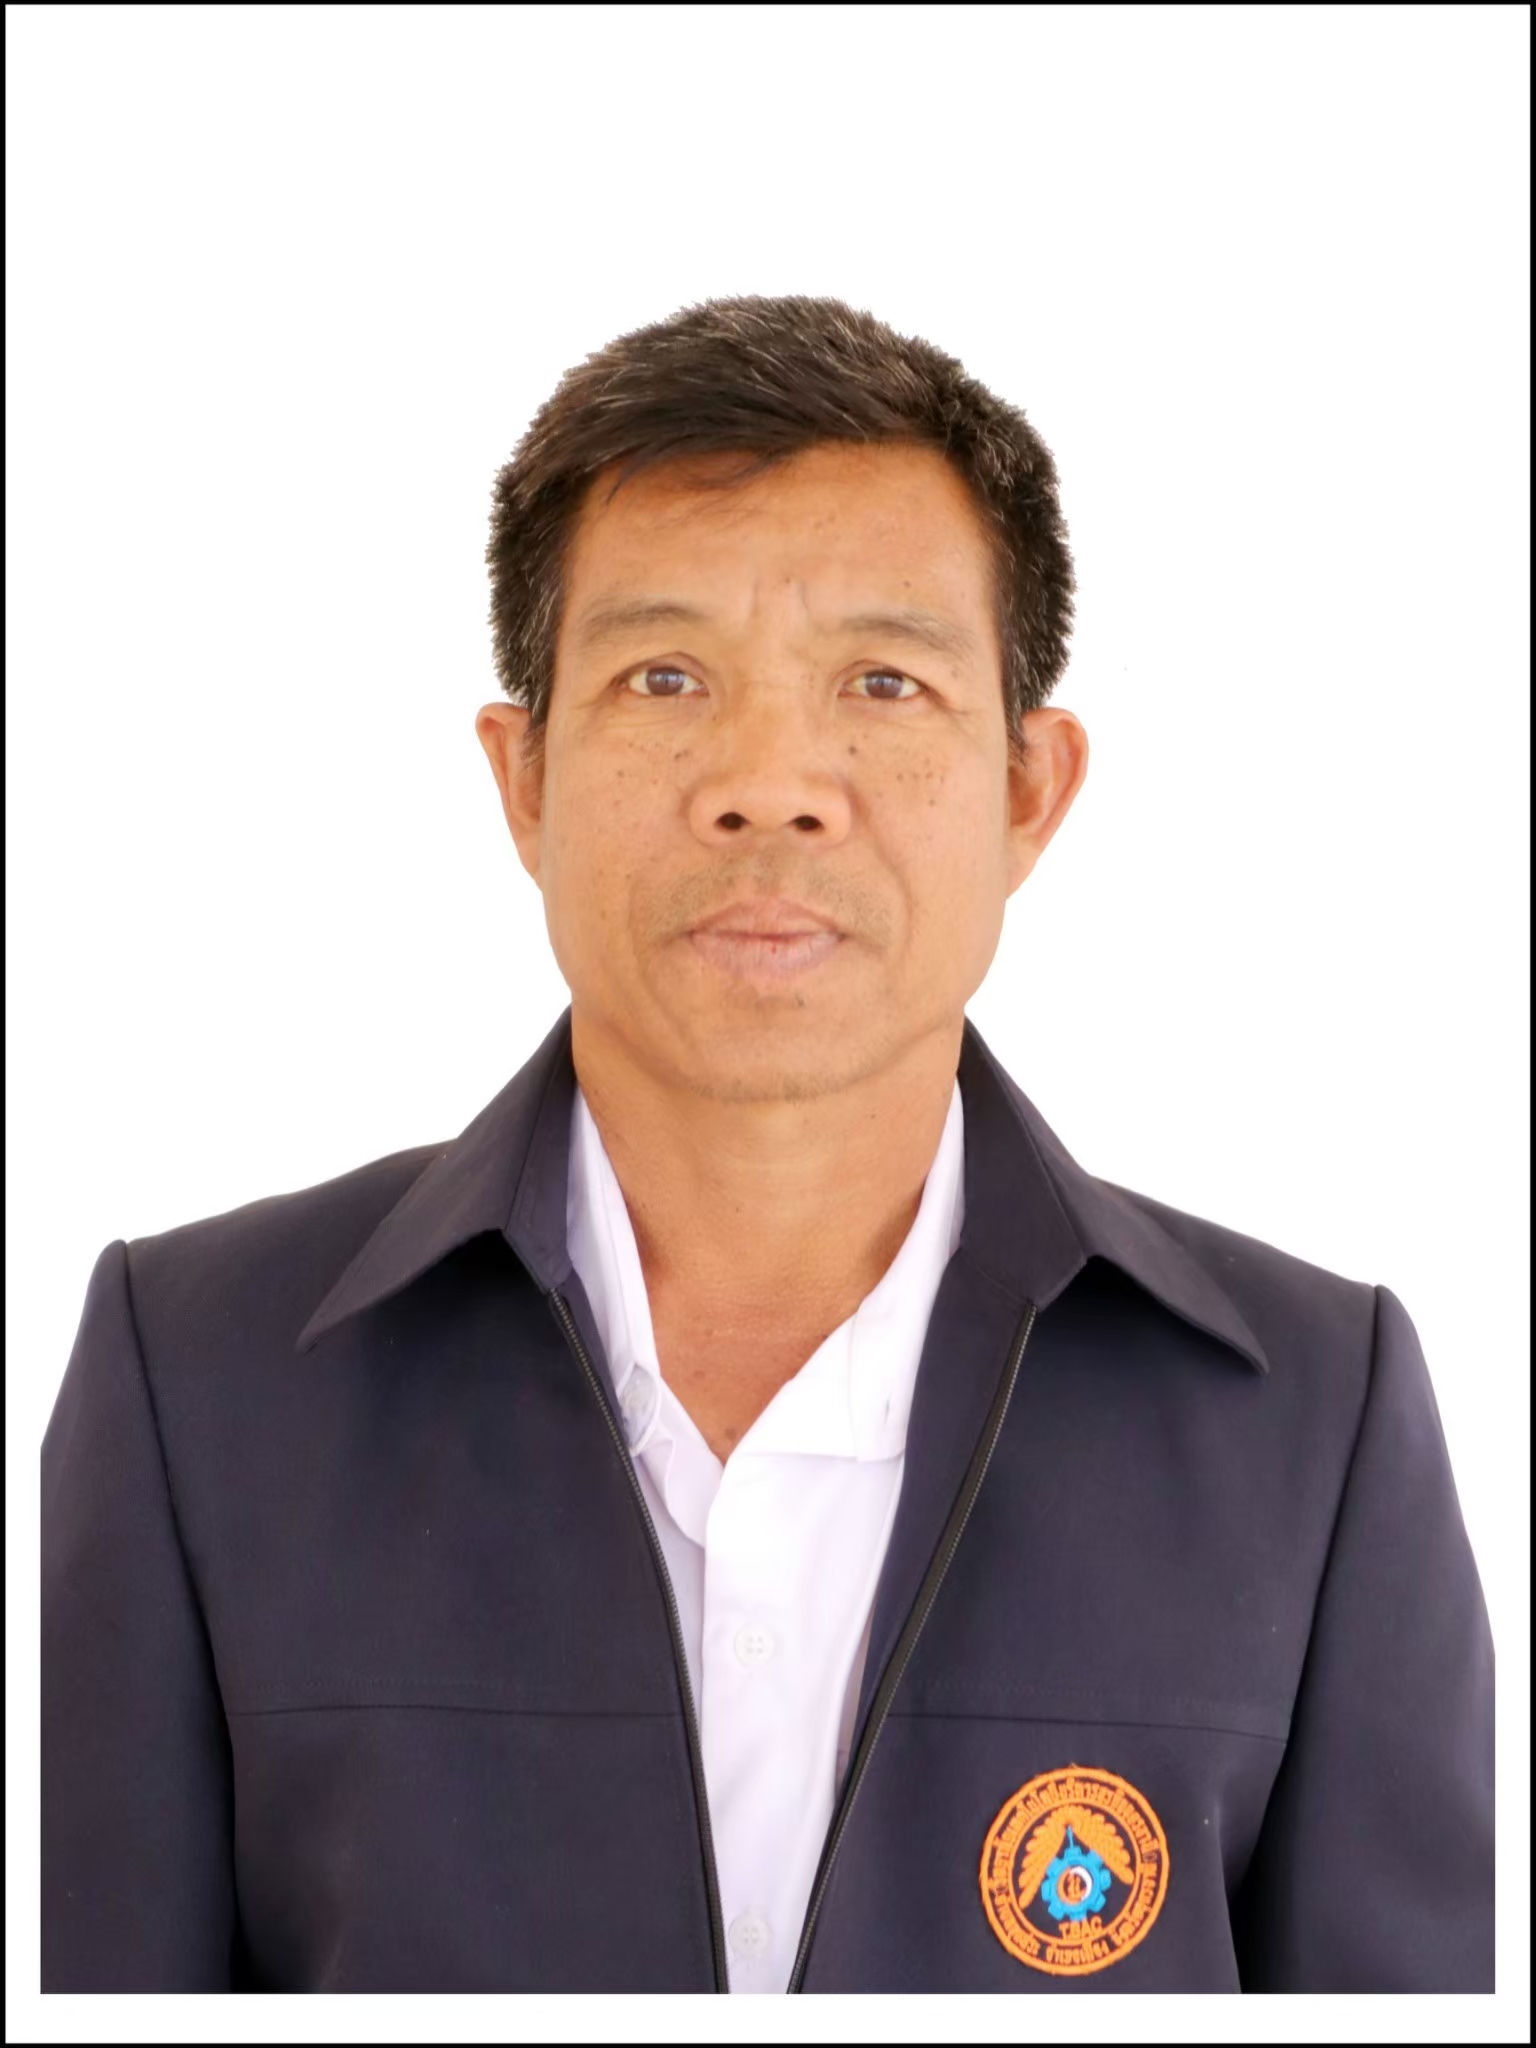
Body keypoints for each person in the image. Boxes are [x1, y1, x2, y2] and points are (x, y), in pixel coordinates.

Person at [41, 294, 1494, 1994]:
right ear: (524, 779)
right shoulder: (200, 1378)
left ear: (1030, 789)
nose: (771, 781)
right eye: (665, 677)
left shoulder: (1309, 1417)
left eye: (884, 680)